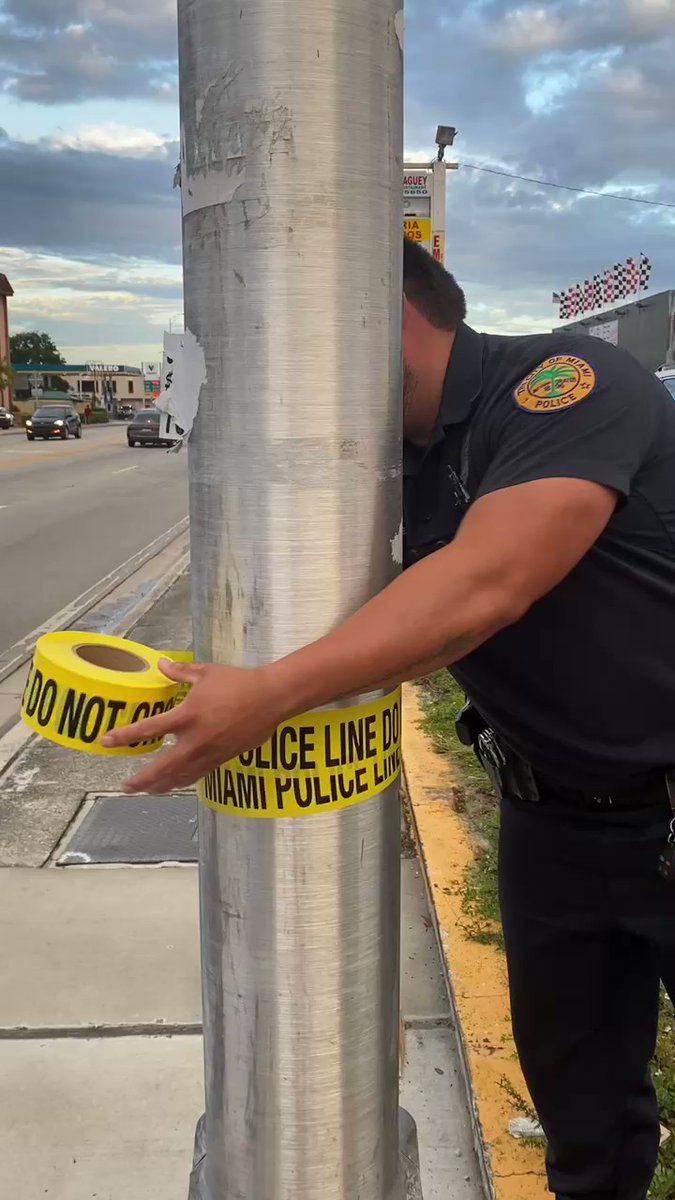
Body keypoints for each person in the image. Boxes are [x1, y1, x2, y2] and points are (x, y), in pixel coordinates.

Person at [104, 239, 675, 1200]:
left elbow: (486, 581)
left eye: (300, 338)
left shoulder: (564, 384)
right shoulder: (377, 459)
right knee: (584, 1120)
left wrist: (272, 692)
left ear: (382, 316)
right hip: (552, 823)